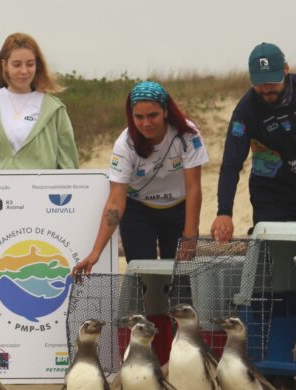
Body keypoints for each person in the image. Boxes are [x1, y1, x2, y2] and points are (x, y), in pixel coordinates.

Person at [211, 43, 296, 242]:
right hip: (272, 194)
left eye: (272, 81)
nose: (266, 89)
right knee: (276, 261)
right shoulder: (245, 112)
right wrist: (224, 212)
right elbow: (231, 164)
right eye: (259, 83)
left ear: (286, 69)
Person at [72, 81, 207, 276]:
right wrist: (96, 251)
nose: (146, 123)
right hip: (138, 210)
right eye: (139, 117)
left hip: (178, 207)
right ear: (131, 116)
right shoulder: (124, 145)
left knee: (181, 278)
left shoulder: (186, 135)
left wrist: (190, 235)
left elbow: (194, 187)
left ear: (166, 111)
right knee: (144, 277)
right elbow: (115, 202)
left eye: (153, 115)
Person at [0, 32, 78, 170]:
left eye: (30, 64)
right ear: (5, 65)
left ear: (37, 65)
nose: (24, 71)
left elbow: (69, 165)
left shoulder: (54, 108)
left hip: (40, 191)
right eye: (16, 64)